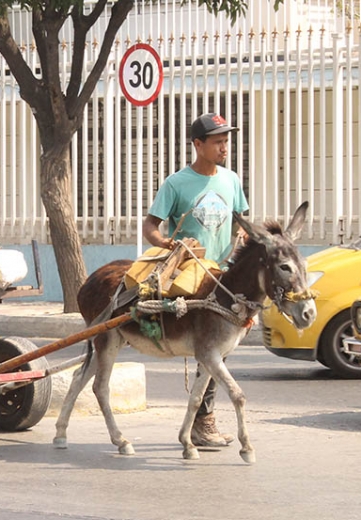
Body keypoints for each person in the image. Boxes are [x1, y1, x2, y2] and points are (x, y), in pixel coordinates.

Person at [142, 112, 249, 447]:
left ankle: (201, 421)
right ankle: (203, 422)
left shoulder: (231, 180)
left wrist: (243, 238)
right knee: (210, 352)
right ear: (198, 144)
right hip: (192, 277)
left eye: (226, 141)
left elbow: (241, 221)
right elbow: (150, 226)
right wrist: (165, 243)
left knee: (218, 352)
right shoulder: (177, 183)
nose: (224, 147)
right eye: (217, 141)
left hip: (225, 278)